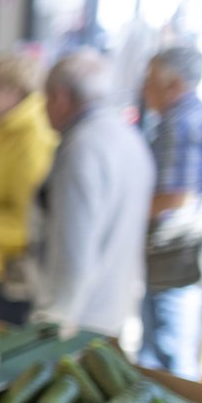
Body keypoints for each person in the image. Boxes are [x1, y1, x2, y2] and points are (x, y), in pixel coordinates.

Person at [34, 50, 154, 336]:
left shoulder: (81, 148)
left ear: (60, 97)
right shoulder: (130, 137)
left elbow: (74, 243)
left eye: (46, 98)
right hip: (116, 301)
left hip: (79, 314)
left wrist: (55, 317)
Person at [139, 46, 202, 380]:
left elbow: (178, 196)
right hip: (196, 244)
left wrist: (131, 211)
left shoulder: (180, 123)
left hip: (174, 248)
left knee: (168, 344)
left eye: (150, 80)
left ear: (173, 84)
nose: (144, 87)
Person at [0, 53, 58, 325]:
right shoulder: (1, 129)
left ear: (15, 90)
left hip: (16, 271)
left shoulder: (31, 139)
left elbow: (32, 222)